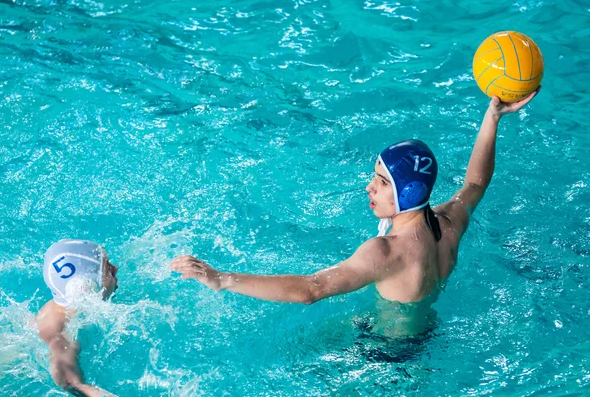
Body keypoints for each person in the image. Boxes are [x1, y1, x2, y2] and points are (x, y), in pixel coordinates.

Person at [170, 90, 540, 334]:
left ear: (407, 193)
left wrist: (222, 279)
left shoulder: (387, 251)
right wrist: (493, 117)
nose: (369, 187)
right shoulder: (447, 223)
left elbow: (310, 290)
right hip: (422, 337)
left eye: (381, 181)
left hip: (383, 357)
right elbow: (475, 184)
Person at [36, 239, 119, 396]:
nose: (116, 269)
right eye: (108, 269)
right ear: (86, 286)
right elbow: (70, 382)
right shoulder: (63, 336)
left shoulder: (60, 305)